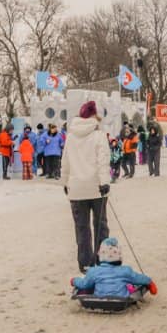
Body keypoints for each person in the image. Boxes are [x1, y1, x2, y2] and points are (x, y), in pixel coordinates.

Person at [61, 101, 112, 273]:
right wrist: (105, 181)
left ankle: (85, 263)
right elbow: (103, 160)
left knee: (81, 228)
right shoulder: (99, 135)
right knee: (100, 226)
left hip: (76, 188)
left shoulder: (70, 136)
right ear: (94, 116)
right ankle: (102, 261)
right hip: (96, 187)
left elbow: (65, 162)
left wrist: (65, 182)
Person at [71, 238, 155, 298]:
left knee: (89, 285)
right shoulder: (125, 270)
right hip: (121, 298)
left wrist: (74, 281)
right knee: (131, 284)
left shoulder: (94, 271)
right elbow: (139, 278)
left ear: (101, 255)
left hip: (100, 297)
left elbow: (84, 284)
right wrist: (149, 282)